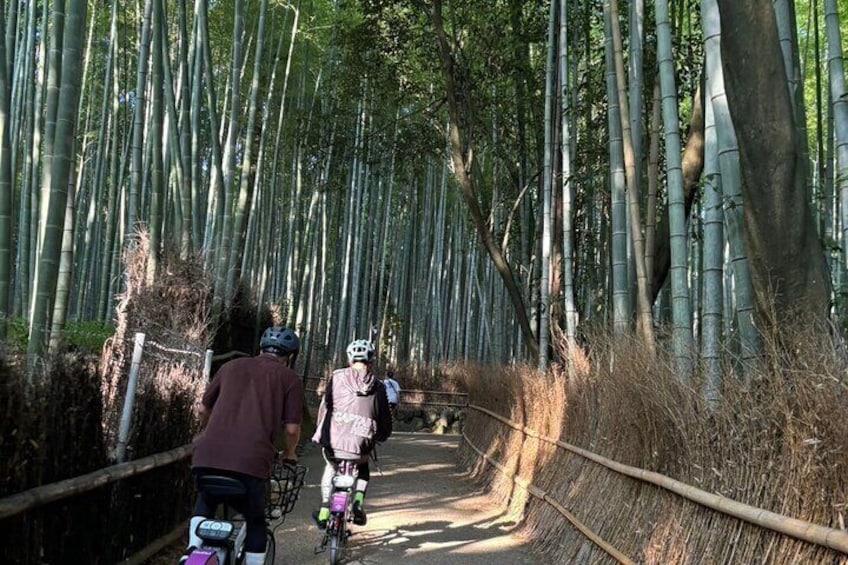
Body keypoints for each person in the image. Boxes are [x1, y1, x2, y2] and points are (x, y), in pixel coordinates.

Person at [183, 326, 303, 565]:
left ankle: (191, 549)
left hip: (208, 454)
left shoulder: (230, 367)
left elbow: (202, 409)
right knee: (255, 519)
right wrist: (289, 454)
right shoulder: (289, 379)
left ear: (260, 348)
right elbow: (291, 429)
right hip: (252, 462)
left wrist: (205, 433)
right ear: (290, 356)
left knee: (206, 501)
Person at [311, 338, 392, 528]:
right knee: (363, 467)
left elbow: (326, 406)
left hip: (334, 441)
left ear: (349, 360)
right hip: (361, 444)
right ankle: (357, 502)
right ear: (371, 363)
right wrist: (381, 436)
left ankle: (324, 510)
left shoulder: (337, 378)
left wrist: (320, 431)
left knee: (331, 467)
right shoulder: (379, 387)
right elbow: (385, 419)